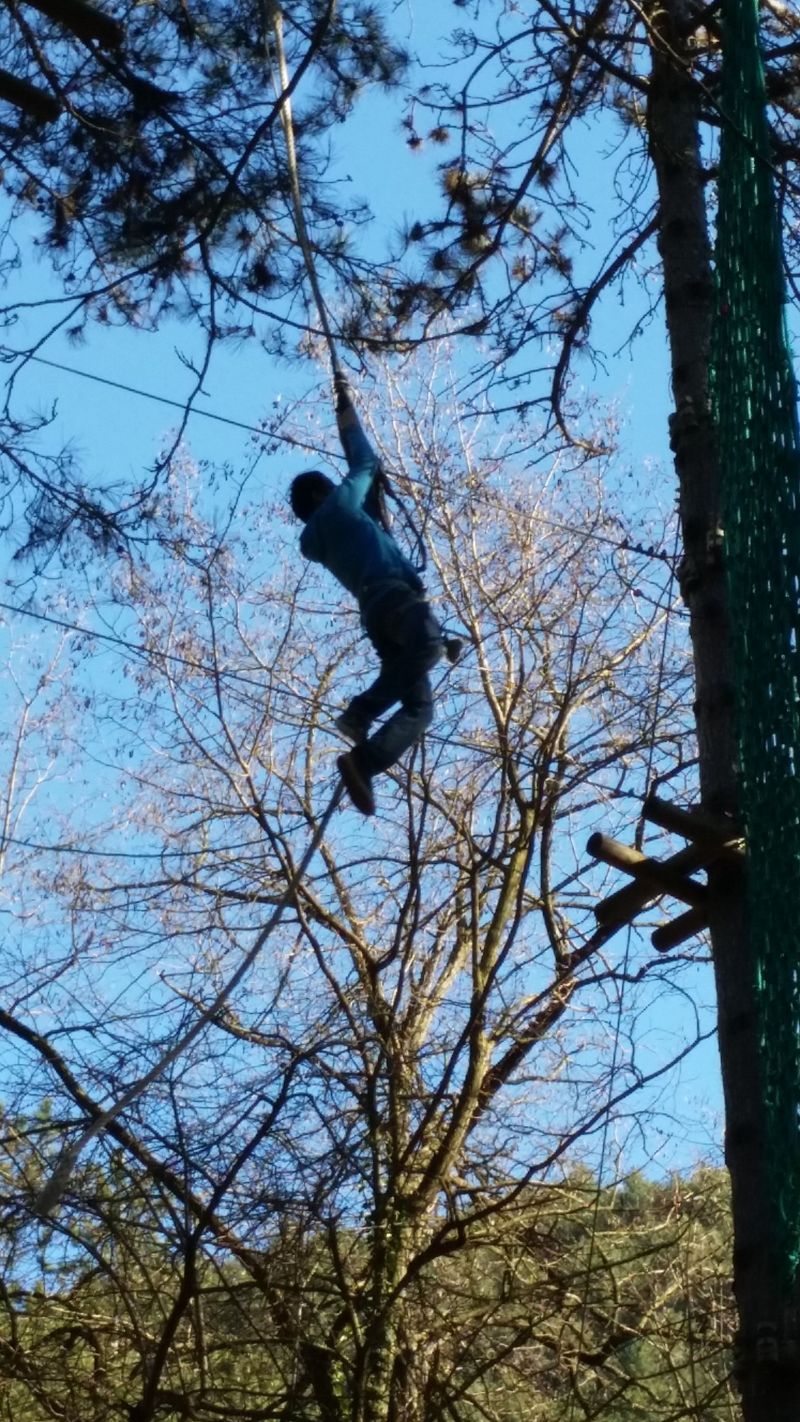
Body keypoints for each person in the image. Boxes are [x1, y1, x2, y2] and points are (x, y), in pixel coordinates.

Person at [289, 373, 458, 816]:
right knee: (430, 647)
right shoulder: (340, 508)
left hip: (378, 616)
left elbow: (367, 501)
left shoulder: (325, 537)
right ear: (320, 493)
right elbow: (365, 464)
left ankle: (363, 763)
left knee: (422, 710)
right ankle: (361, 712)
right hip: (396, 603)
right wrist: (347, 413)